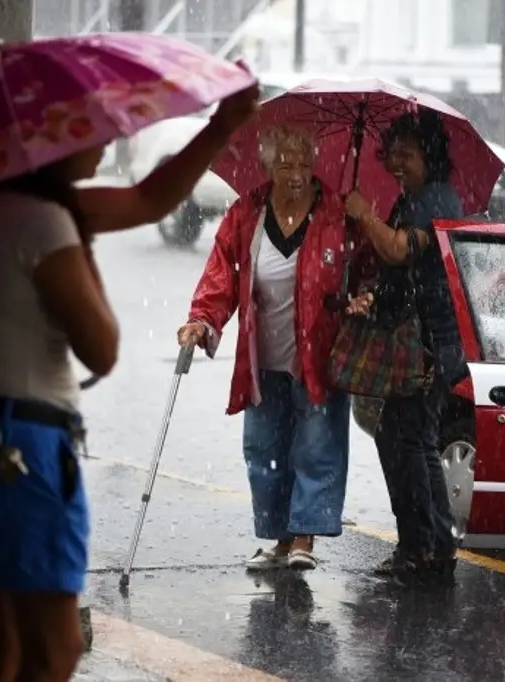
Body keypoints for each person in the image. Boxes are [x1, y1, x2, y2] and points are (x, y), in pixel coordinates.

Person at [0, 84, 258, 682]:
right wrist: (80, 254)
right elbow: (102, 348)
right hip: (19, 449)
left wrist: (219, 127)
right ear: (51, 145)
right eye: (87, 129)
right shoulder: (47, 221)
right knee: (53, 653)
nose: (106, 139)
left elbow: (147, 201)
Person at [177, 124, 365, 573]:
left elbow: (363, 267)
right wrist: (202, 320)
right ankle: (280, 539)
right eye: (284, 162)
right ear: (266, 166)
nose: (296, 172)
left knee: (317, 446)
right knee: (265, 448)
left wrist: (361, 296)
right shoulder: (248, 212)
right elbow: (221, 271)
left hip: (318, 354)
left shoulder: (338, 213)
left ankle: (304, 538)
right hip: (263, 356)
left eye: (303, 162)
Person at [343, 110, 468, 581]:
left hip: (432, 346)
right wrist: (372, 296)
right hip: (417, 342)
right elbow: (398, 274)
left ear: (429, 157)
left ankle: (428, 549)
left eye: (408, 155)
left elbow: (399, 250)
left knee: (410, 439)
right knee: (403, 438)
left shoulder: (436, 200)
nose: (397, 163)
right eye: (392, 153)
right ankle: (424, 546)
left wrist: (364, 214)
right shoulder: (412, 198)